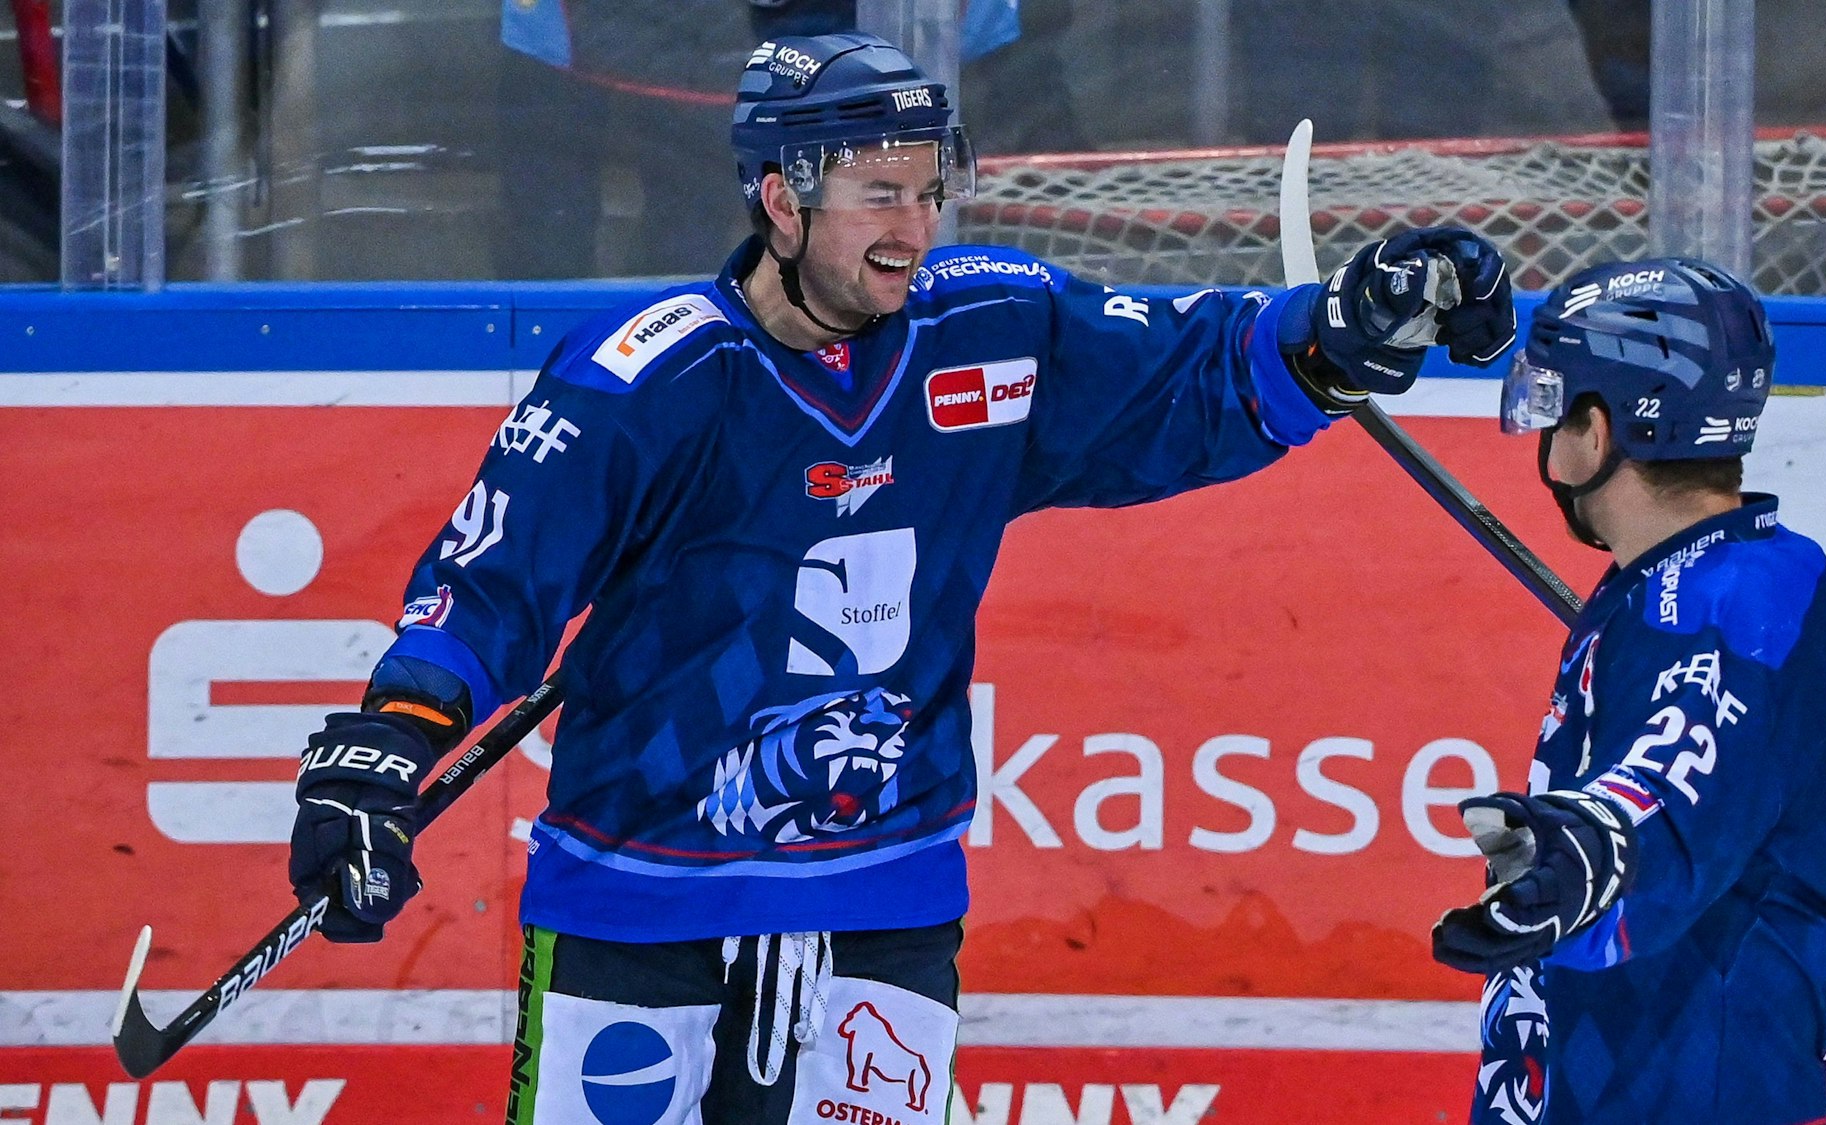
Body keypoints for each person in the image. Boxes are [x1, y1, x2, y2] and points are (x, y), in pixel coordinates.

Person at [285, 31, 1516, 1123]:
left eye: (928, 192)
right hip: (643, 897)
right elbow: (488, 589)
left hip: (884, 903)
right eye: (879, 194)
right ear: (781, 198)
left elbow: (1195, 369)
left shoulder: (990, 328)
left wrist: (1346, 324)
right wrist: (384, 750)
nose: (914, 228)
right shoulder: (642, 377)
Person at [1430, 258, 1826, 1124]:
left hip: (1688, 1094)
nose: (1543, 440)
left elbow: (1670, 773)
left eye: (1553, 408)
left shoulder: (1733, 597)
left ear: (1598, 431)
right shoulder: (1681, 581)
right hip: (1615, 1078)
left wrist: (1591, 850)